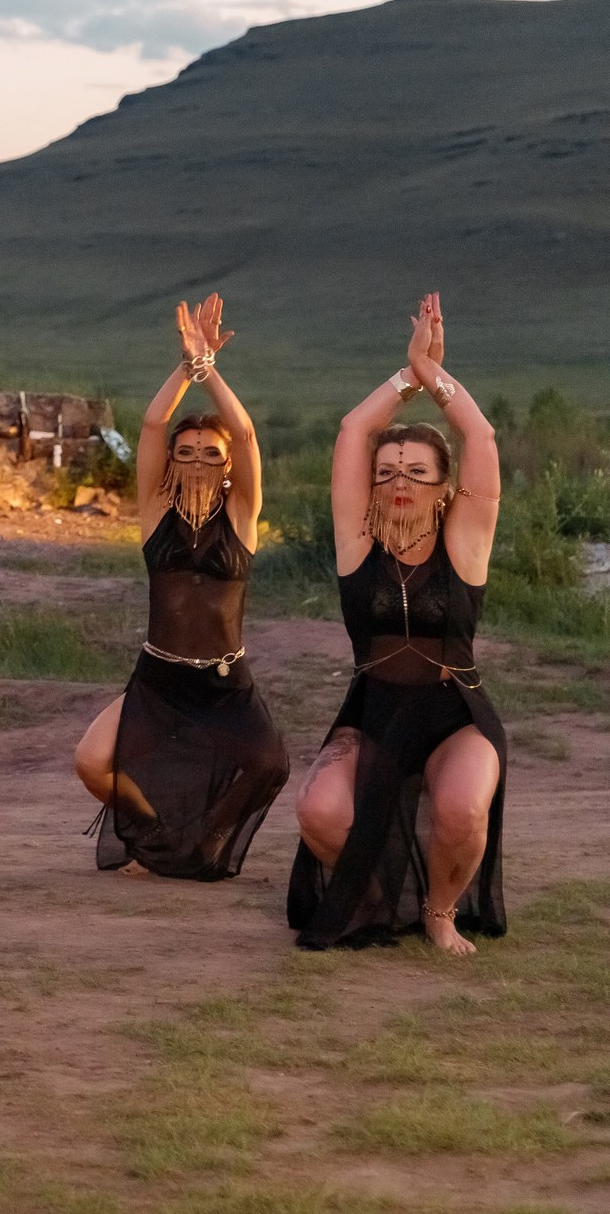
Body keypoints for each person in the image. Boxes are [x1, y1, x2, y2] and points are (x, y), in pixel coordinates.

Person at [290, 294, 505, 954]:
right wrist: (405, 376)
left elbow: (482, 437)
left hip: (454, 712)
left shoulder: (464, 543)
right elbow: (355, 431)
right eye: (386, 474)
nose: (399, 481)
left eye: (416, 471)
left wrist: (434, 378)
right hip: (375, 710)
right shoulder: (358, 544)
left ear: (445, 487)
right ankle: (382, 898)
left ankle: (439, 910)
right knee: (319, 809)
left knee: (463, 808)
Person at [75, 296, 289, 880]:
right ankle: (159, 835)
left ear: (225, 466)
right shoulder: (153, 512)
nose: (197, 460)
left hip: (224, 681)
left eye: (209, 454)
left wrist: (210, 369)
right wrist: (185, 365)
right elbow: (150, 423)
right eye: (186, 451)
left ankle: (211, 838)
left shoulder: (242, 515)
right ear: (171, 459)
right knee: (93, 762)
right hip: (160, 678)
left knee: (268, 764)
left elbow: (243, 433)